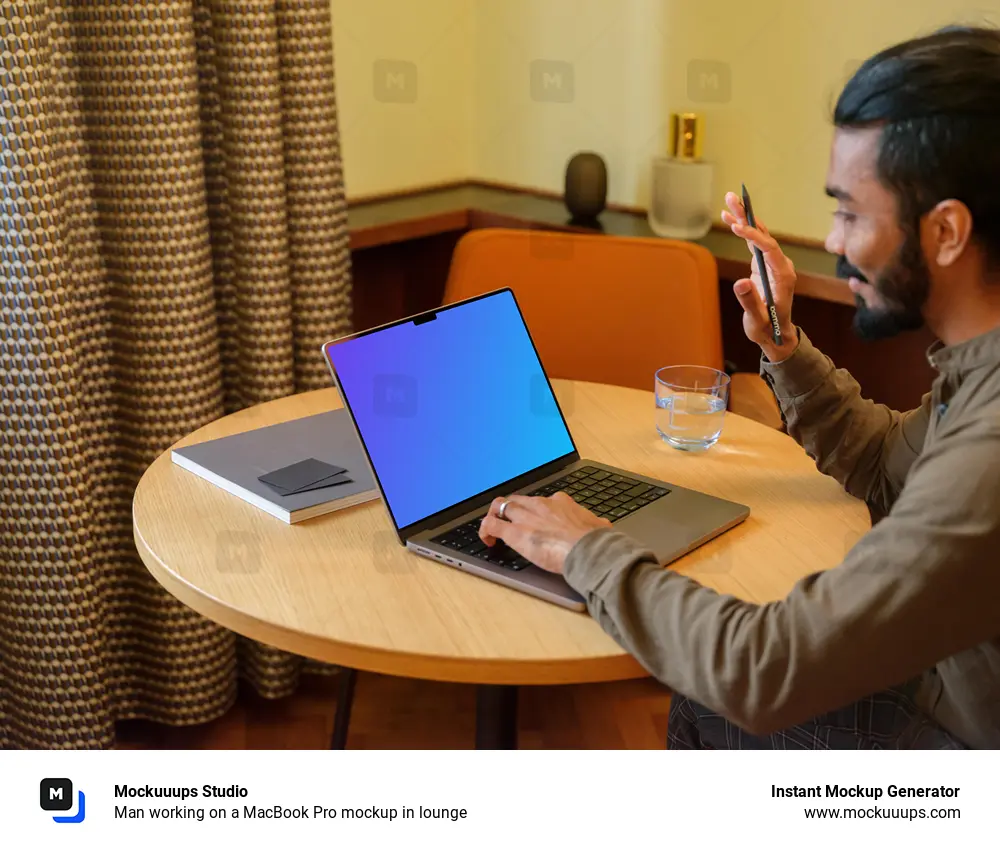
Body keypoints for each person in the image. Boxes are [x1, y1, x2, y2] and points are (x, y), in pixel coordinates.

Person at [476, 25, 1000, 749]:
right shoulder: (978, 371)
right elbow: (888, 467)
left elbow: (763, 668)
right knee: (705, 707)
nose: (835, 241)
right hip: (948, 690)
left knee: (721, 697)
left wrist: (587, 549)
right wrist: (783, 347)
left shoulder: (990, 446)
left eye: (849, 211)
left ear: (945, 232)